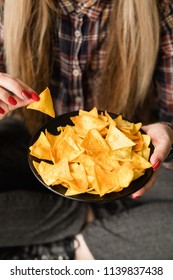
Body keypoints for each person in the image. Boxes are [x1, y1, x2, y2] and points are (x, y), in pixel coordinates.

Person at [0, 0, 173, 260]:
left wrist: (169, 132)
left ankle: (60, 252)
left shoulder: (161, 7)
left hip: (134, 156)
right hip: (28, 139)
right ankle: (104, 217)